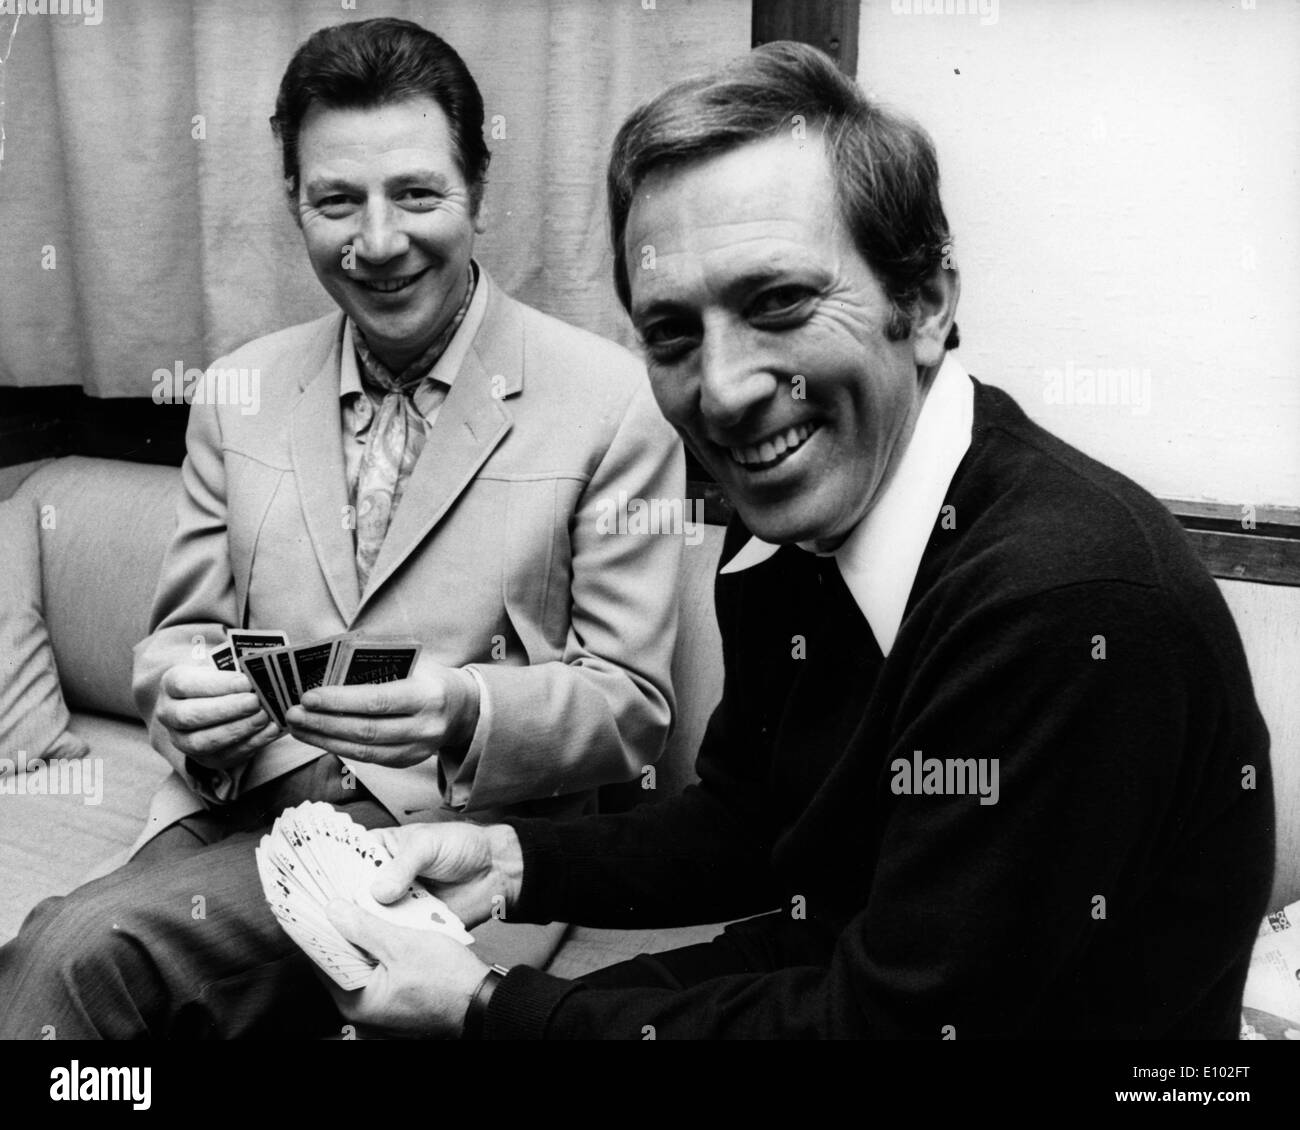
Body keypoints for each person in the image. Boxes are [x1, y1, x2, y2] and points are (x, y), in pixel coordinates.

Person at [320, 40, 1276, 1040]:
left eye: (778, 301)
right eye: (673, 334)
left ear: (927, 302)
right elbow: (753, 821)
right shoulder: (803, 525)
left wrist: (482, 1008)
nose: (726, 389)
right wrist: (512, 861)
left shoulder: (1065, 602)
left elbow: (895, 1025)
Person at [0, 18, 682, 1039]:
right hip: (231, 815)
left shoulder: (613, 400)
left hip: (440, 844)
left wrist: (463, 711)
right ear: (293, 207)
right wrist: (180, 700)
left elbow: (632, 707)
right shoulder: (238, 390)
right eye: (335, 200)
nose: (377, 241)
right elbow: (177, 637)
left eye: (416, 193)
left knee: (76, 949)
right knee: (74, 947)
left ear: (477, 195)